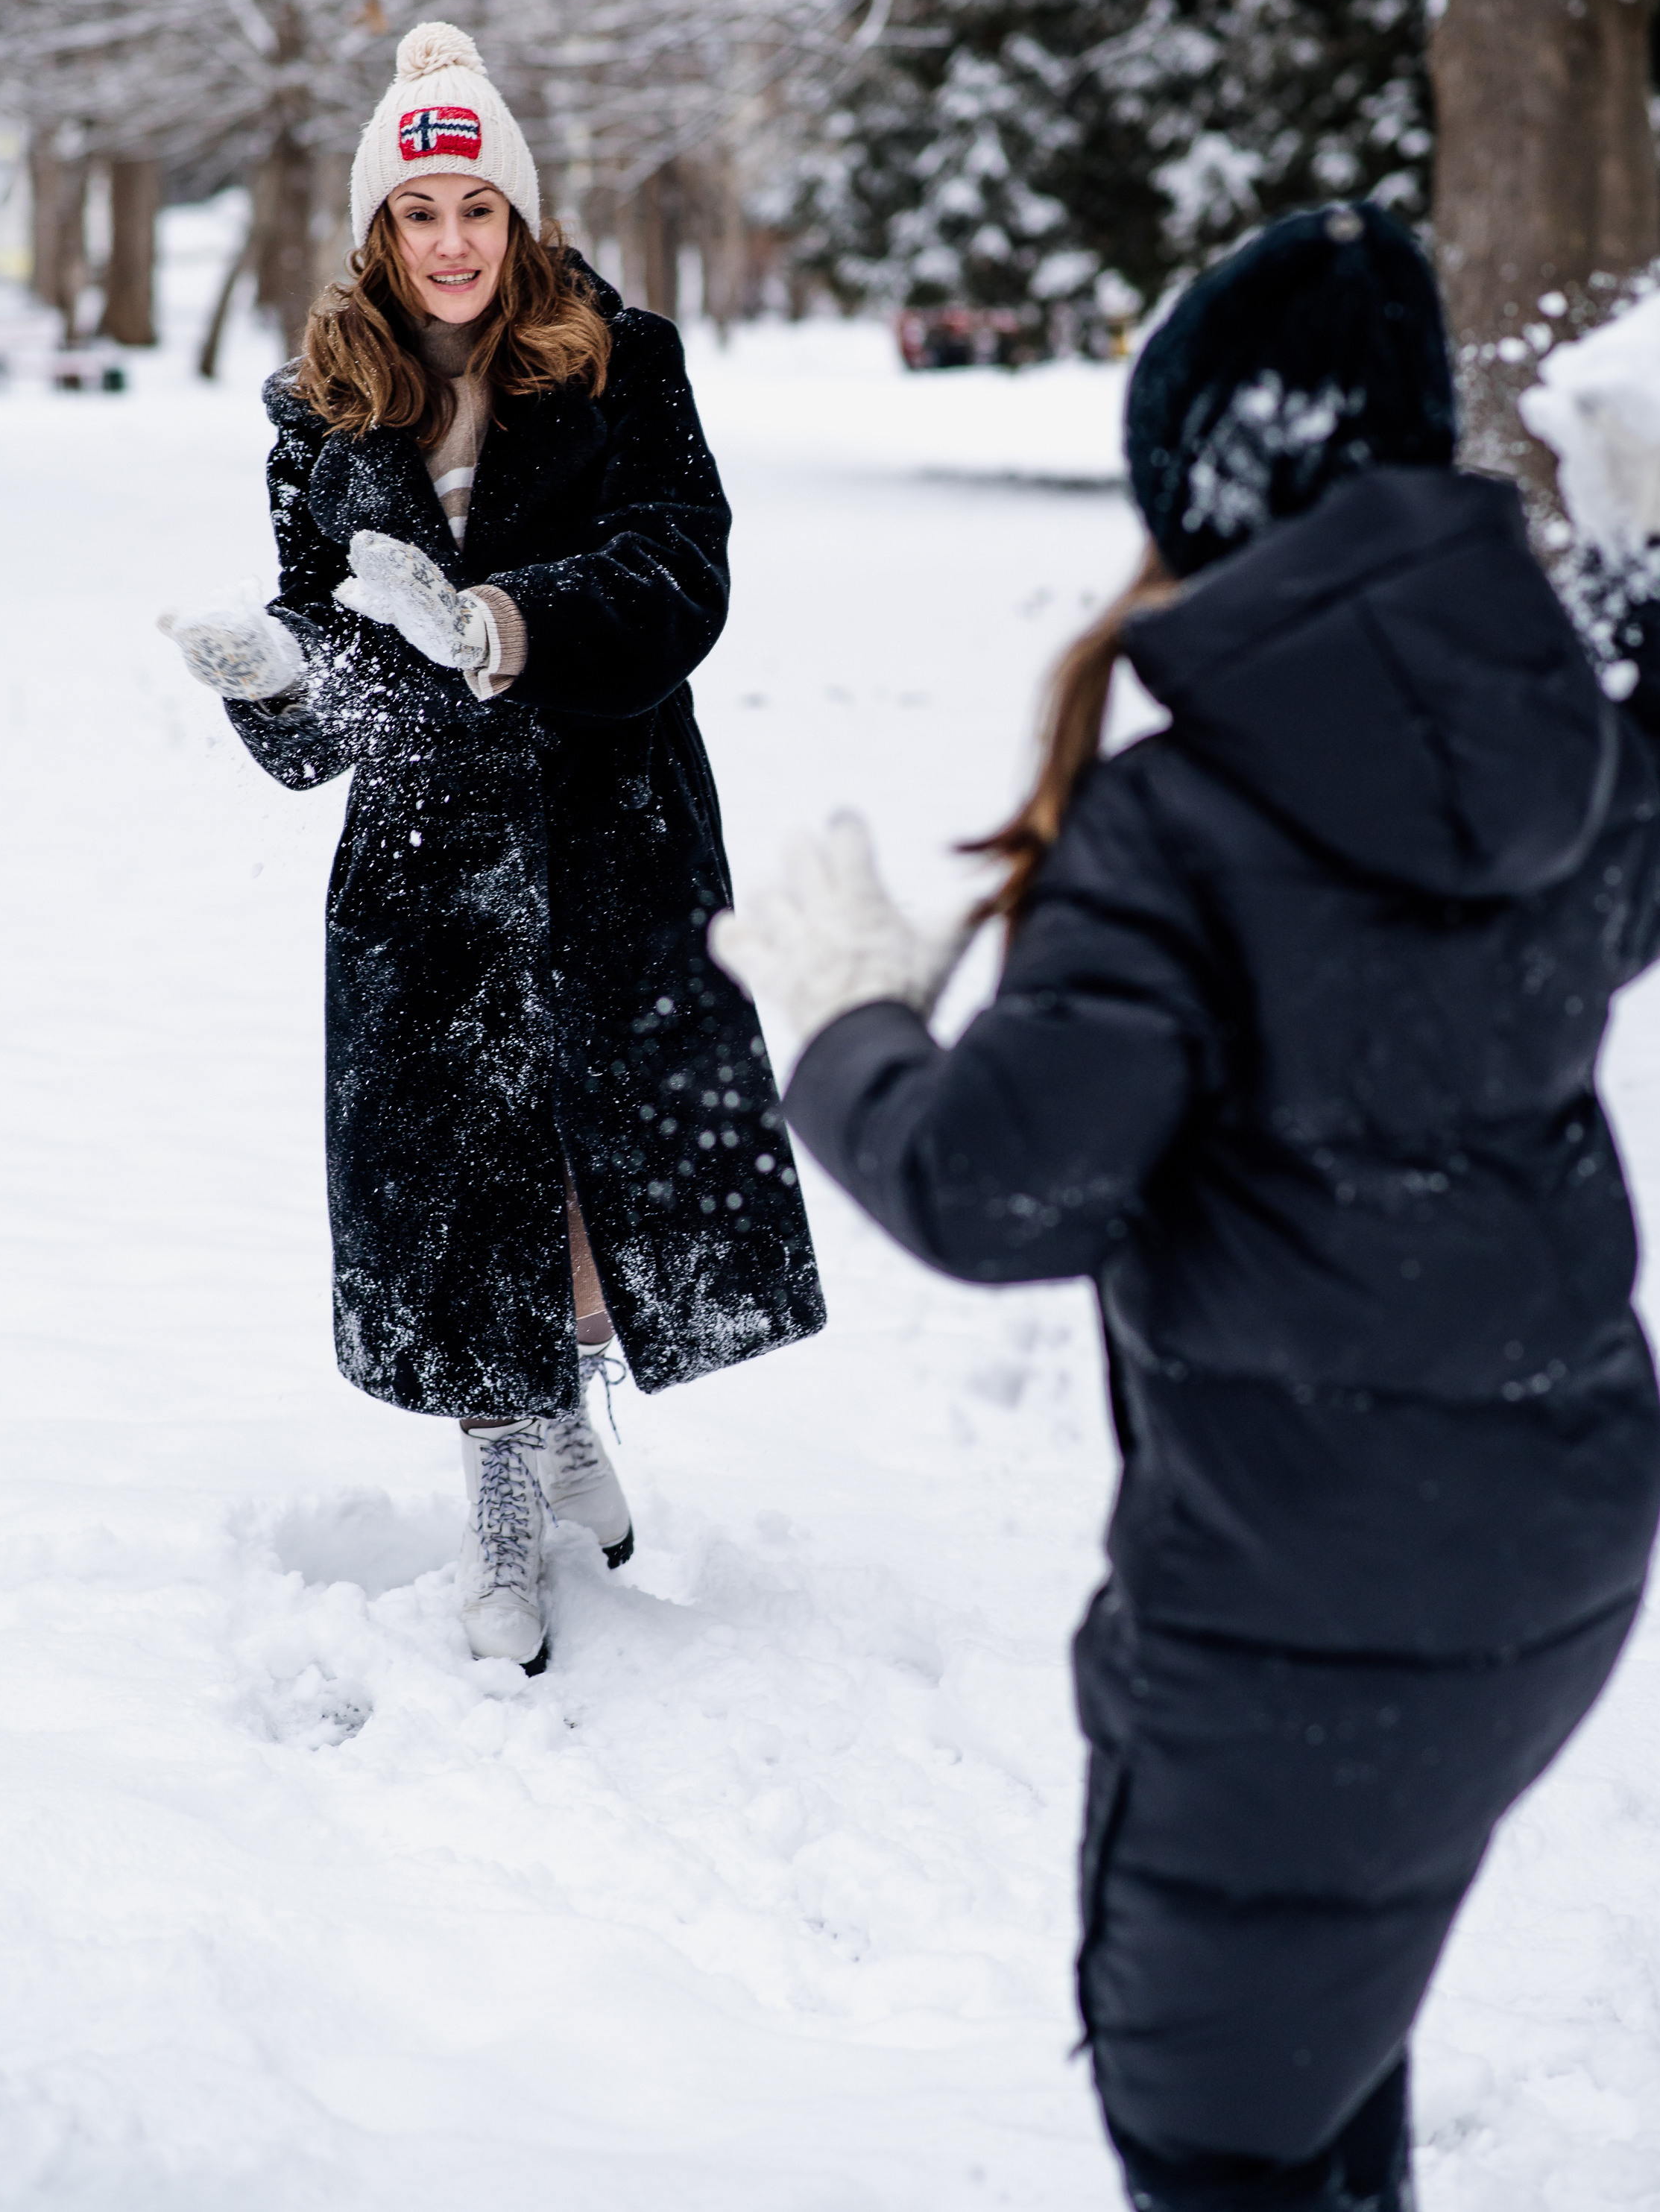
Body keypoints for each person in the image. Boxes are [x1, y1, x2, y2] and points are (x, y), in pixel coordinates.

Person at [711, 203, 1660, 2211]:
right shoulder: (1543, 732)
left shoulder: (1185, 817)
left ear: (1205, 480)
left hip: (1298, 1609)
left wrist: (845, 1023)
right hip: (1552, 1553)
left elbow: (997, 1183)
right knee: (1329, 2016)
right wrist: (1651, 585)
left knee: (1212, 2121)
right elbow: (1628, 845)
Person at [162, 21, 824, 1675]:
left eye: (475, 207)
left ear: (515, 219)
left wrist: (503, 621)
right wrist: (281, 680)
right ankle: (503, 1490)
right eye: (418, 210)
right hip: (426, 864)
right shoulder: (325, 413)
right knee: (458, 1189)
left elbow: (684, 572)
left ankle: (561, 1389)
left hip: (611, 836)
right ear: (378, 231)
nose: (449, 241)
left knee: (597, 1188)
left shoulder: (618, 361)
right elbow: (344, 692)